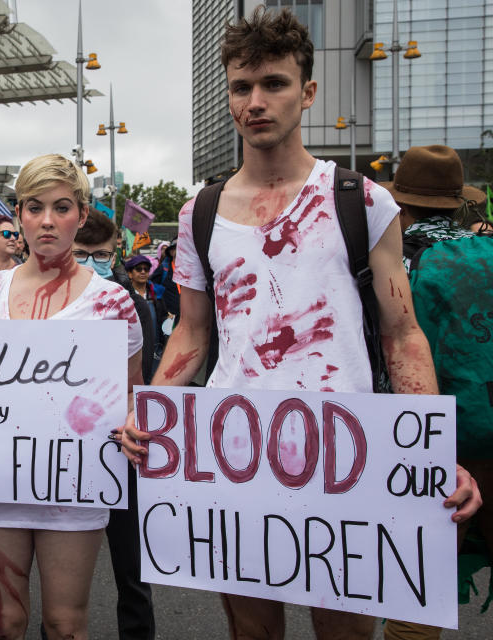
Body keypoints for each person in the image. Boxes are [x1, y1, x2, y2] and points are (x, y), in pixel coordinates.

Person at [120, 9, 481, 640]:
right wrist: (152, 408)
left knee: (344, 633)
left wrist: (430, 449)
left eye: (274, 84)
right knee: (252, 633)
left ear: (307, 92)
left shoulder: (362, 200)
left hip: (346, 458)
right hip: (237, 457)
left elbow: (402, 333)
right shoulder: (199, 212)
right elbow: (193, 331)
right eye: (241, 86)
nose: (255, 102)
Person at [0, 154, 144, 640]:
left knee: (65, 624)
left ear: (81, 215)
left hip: (75, 487)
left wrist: (131, 420)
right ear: (18, 214)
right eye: (34, 206)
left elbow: (130, 390)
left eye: (61, 207)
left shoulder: (112, 303)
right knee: (6, 622)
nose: (47, 220)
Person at [381, 145, 493, 640]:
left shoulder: (391, 265)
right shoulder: (488, 251)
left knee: (420, 593)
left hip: (428, 443)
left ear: (400, 207)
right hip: (490, 428)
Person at [72, 208, 155, 639]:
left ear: (115, 255)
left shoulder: (134, 306)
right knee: (64, 572)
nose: (92, 264)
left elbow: (146, 377)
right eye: (82, 254)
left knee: (131, 565)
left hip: (122, 448)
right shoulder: (56, 307)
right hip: (67, 451)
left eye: (101, 255)